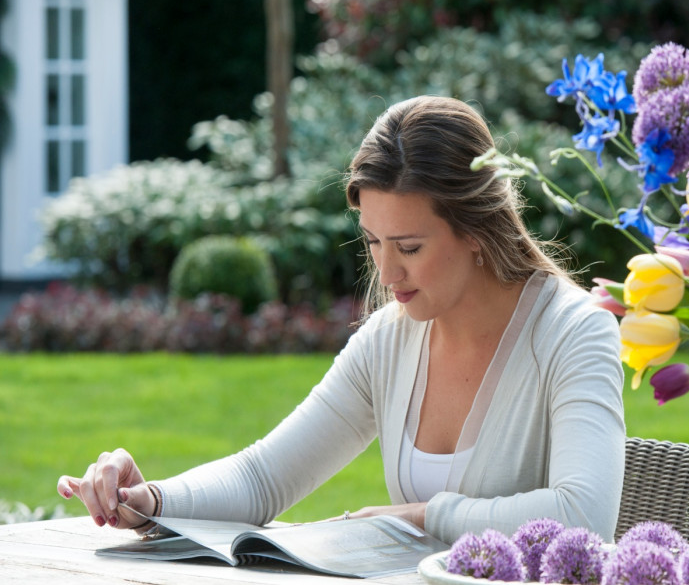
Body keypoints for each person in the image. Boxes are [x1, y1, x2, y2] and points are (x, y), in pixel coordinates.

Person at [57, 95, 626, 543]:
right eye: (374, 241)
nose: (388, 272)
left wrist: (421, 518)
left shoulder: (574, 333)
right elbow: (264, 477)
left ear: (477, 230)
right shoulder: (391, 340)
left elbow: (583, 516)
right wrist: (152, 501)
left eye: (408, 246)